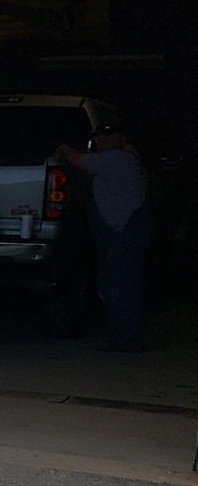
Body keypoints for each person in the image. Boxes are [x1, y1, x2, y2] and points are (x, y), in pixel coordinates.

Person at [56, 124, 151, 351]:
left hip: (123, 234)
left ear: (121, 137)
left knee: (120, 288)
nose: (100, 141)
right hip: (119, 234)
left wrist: (60, 147)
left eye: (106, 136)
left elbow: (77, 160)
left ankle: (126, 340)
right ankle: (125, 337)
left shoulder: (118, 159)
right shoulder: (123, 158)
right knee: (115, 286)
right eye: (97, 137)